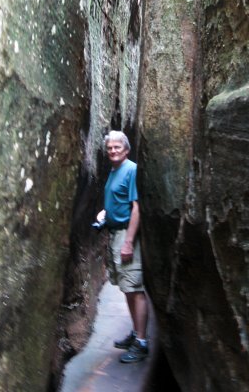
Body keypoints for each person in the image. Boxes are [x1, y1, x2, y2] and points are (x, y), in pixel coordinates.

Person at [94, 130, 149, 363]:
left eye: (117, 147)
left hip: (126, 235)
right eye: (109, 148)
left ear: (126, 150)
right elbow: (118, 201)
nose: (112, 151)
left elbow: (136, 207)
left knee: (134, 288)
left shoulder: (131, 169)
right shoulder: (114, 170)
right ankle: (136, 333)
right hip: (115, 233)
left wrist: (128, 242)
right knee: (126, 287)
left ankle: (142, 342)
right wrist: (105, 214)